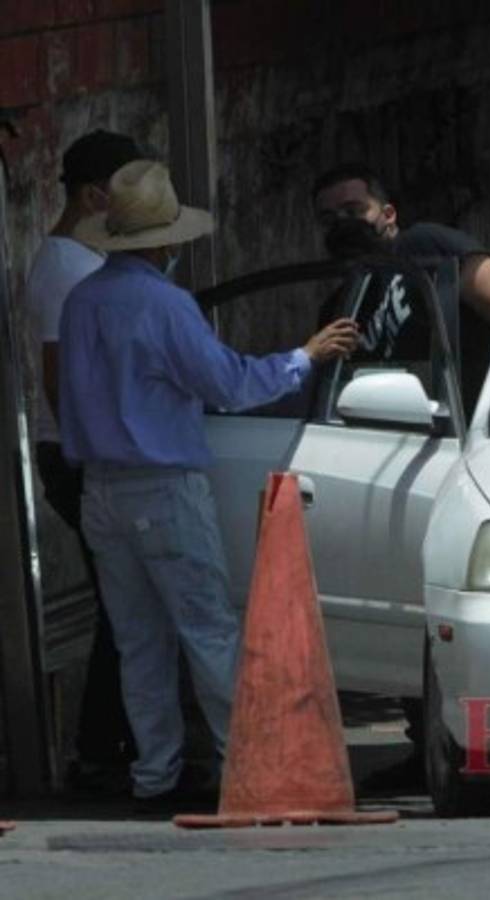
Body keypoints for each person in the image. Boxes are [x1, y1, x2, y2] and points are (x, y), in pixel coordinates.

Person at [58, 159, 358, 805]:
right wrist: (302, 357)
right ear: (165, 241)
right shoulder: (166, 305)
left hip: (101, 494)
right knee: (208, 632)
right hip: (160, 488)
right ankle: (243, 766)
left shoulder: (81, 301)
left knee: (139, 644)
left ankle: (154, 776)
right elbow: (228, 384)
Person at [28, 129, 143, 791]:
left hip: (85, 453)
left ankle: (110, 740)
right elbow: (56, 375)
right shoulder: (65, 268)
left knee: (123, 600)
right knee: (123, 601)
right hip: (76, 456)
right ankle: (99, 746)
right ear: (97, 194)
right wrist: (97, 456)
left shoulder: (84, 261)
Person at [311, 163, 490, 411]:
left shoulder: (424, 246)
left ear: (388, 215)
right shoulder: (338, 307)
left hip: (475, 425)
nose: (342, 225)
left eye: (354, 211)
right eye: (329, 219)